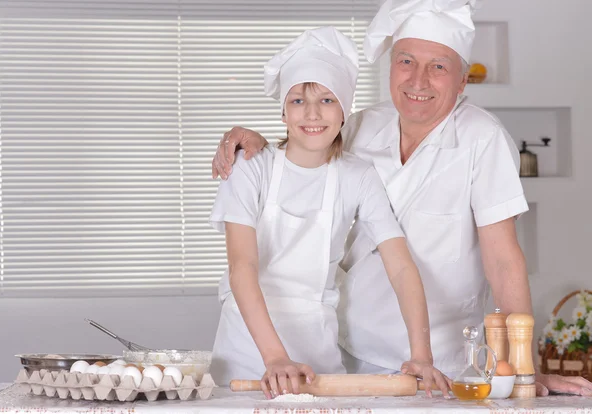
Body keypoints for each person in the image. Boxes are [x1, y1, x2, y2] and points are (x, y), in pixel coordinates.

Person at [210, 0, 592, 397]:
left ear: (462, 82)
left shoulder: (483, 140)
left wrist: (522, 368)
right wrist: (255, 146)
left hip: (435, 364)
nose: (418, 80)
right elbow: (305, 145)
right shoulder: (360, 127)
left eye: (438, 66)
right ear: (390, 67)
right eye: (406, 61)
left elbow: (503, 260)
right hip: (343, 354)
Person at [208, 26, 452, 399]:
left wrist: (421, 355)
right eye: (298, 101)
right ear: (283, 111)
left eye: (326, 100)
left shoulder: (358, 177)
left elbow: (401, 267)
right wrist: (275, 359)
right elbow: (242, 267)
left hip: (318, 359)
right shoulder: (250, 168)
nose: (312, 114)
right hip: (247, 355)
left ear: (344, 110)